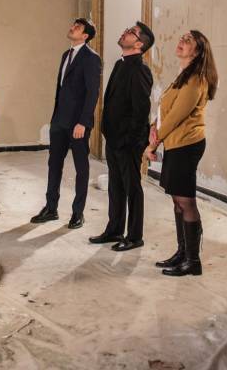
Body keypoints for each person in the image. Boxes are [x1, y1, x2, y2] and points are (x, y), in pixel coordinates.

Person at [145, 30, 217, 276]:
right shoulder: (183, 76)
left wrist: (154, 144)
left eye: (188, 41)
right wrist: (154, 128)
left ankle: (192, 261)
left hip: (187, 145)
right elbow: (166, 109)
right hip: (175, 144)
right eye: (182, 38)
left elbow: (177, 116)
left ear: (197, 51)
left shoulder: (196, 79)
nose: (181, 42)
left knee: (186, 200)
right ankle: (182, 253)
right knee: (177, 199)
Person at [89, 21, 154, 251]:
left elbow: (140, 111)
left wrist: (131, 141)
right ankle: (115, 230)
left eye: (131, 32)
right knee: (116, 186)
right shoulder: (120, 64)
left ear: (139, 43)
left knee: (132, 187)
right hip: (114, 139)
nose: (125, 32)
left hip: (128, 143)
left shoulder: (140, 69)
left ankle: (135, 236)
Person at [31, 18, 102, 229]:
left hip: (78, 125)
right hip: (59, 121)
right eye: (73, 24)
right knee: (54, 165)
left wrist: (83, 122)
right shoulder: (66, 55)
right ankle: (51, 208)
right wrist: (54, 119)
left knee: (81, 168)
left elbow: (92, 93)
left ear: (86, 35)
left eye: (78, 27)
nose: (72, 27)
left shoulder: (91, 58)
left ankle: (78, 213)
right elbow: (62, 90)